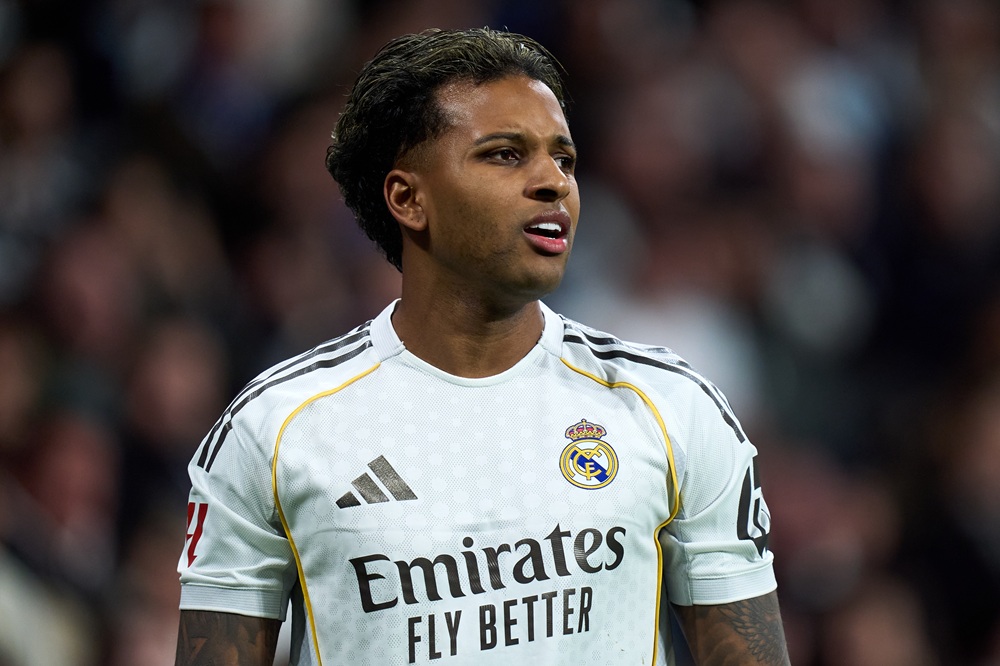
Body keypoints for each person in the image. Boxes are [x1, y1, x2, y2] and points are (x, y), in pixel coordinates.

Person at [174, 27, 790, 666]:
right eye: (505, 154)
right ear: (409, 199)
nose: (554, 182)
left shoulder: (672, 408)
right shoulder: (276, 431)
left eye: (564, 159)